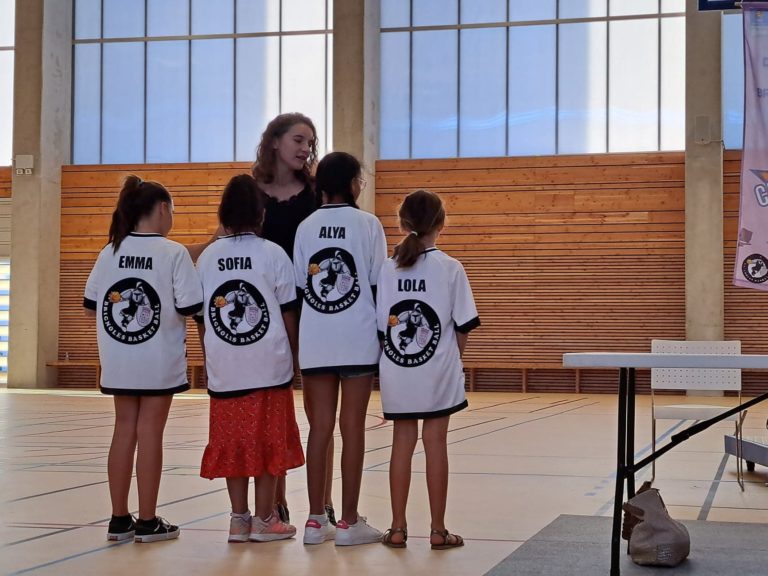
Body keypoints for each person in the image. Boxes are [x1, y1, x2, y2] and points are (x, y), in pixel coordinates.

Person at [83, 175, 203, 543]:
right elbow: (191, 304)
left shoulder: (110, 251)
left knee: (123, 430)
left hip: (119, 359)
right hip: (158, 359)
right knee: (151, 432)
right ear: (163, 209)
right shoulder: (173, 252)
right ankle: (148, 520)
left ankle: (119, 519)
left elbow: (91, 306)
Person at [197, 174, 304, 543]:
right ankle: (265, 519)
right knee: (269, 440)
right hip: (268, 364)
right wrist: (295, 355)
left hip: (226, 366)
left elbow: (202, 318)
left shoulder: (207, 258)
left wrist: (210, 356)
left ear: (224, 214)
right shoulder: (273, 253)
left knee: (234, 442)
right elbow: (288, 312)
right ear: (261, 214)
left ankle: (239, 519)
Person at [376, 189, 480, 550]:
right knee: (436, 444)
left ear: (403, 223)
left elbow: (383, 325)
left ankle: (397, 528)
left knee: (401, 444)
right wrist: (451, 360)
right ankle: (438, 530)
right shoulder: (450, 268)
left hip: (398, 367)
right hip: (437, 368)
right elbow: (464, 325)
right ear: (441, 223)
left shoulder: (387, 269)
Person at [293, 151, 386, 546]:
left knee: (319, 428)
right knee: (352, 427)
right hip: (357, 338)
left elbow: (301, 287)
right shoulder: (368, 224)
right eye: (360, 179)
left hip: (316, 339)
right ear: (351, 183)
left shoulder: (305, 227)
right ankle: (348, 521)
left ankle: (316, 520)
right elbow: (379, 284)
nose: (362, 185)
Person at [252, 112, 337, 525]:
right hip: (267, 314)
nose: (306, 148)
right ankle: (276, 499)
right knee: (273, 410)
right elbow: (224, 239)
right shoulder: (252, 192)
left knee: (320, 416)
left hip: (313, 311)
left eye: (310, 142)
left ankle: (324, 502)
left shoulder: (317, 193)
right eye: (298, 140)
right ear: (274, 141)